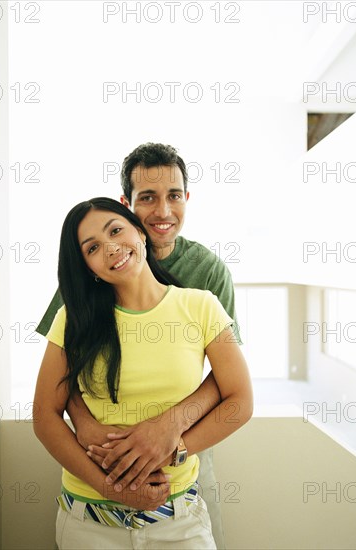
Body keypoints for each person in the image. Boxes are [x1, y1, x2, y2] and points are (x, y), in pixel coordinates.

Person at [35, 143, 239, 548]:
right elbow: (62, 375)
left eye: (174, 195)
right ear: (128, 205)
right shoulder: (91, 278)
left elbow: (228, 379)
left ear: (186, 198)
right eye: (148, 198)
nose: (163, 211)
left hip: (184, 462)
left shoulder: (206, 277)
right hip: (96, 482)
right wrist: (87, 427)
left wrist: (169, 434)